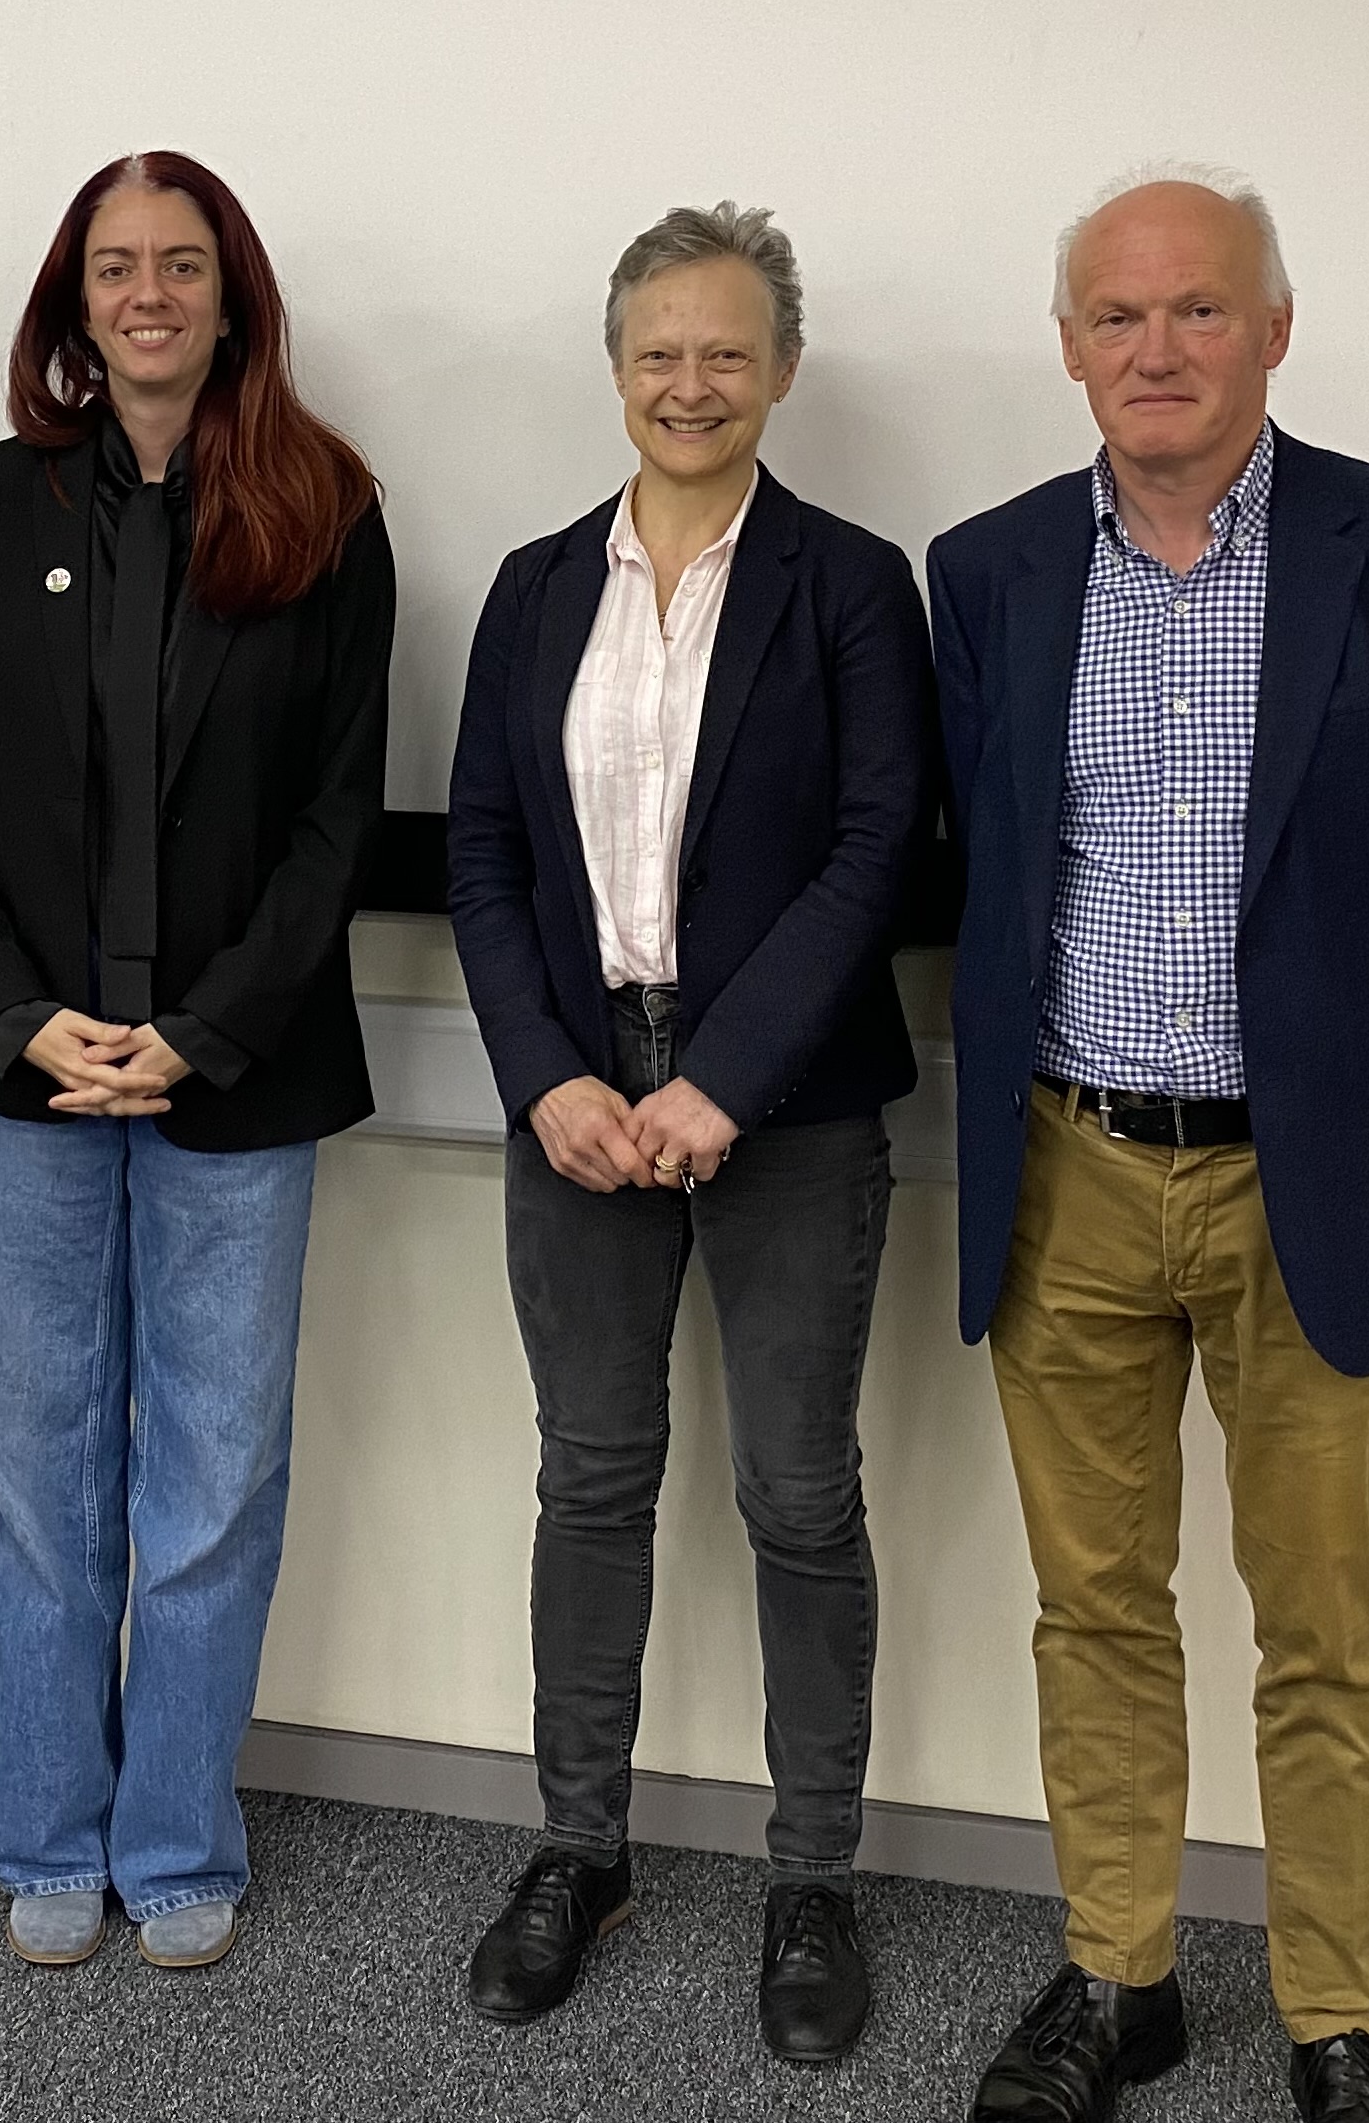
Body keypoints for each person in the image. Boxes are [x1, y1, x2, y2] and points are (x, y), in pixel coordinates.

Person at [930, 164, 1369, 2123]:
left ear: (1272, 329)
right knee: (1095, 1610)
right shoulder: (991, 570)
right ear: (1067, 350)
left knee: (1323, 1629)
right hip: (1069, 1174)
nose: (1155, 348)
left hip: (1313, 1191)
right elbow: (978, 868)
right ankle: (1116, 1978)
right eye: (1114, 317)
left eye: (1196, 309)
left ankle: (1338, 2009)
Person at [445, 203, 935, 2061]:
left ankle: (809, 1875)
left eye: (725, 350)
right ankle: (582, 1849)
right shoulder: (532, 586)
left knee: (797, 1496)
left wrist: (718, 1078)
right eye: (658, 349)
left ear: (782, 369)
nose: (689, 382)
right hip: (574, 1096)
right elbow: (485, 848)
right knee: (591, 1475)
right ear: (616, 364)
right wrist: (550, 1078)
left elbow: (873, 846)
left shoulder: (849, 582)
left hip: (786, 1105)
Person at [0, 151, 394, 1972]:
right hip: (19, 1070)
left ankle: (177, 1839)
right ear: (72, 299)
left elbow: (336, 822)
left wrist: (199, 1032)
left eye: (181, 265)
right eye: (115, 267)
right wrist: (25, 1014)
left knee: (212, 1476)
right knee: (34, 1475)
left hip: (235, 1077)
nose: (148, 296)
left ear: (232, 292)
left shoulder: (327, 508)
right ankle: (45, 1829)